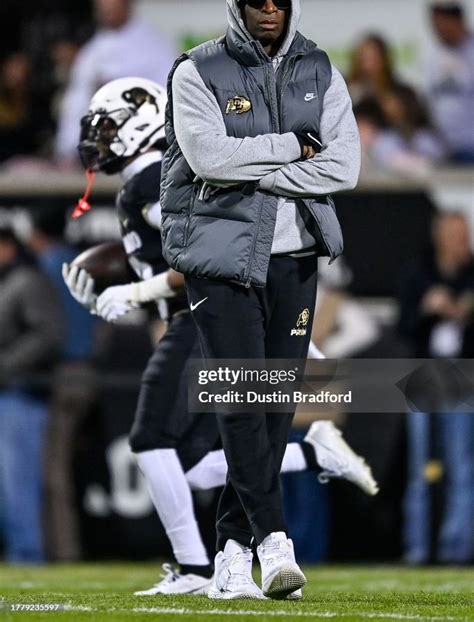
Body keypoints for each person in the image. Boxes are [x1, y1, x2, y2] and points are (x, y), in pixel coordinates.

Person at [63, 77, 375, 596]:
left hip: (203, 319)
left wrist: (132, 294)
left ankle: (196, 567)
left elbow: (201, 251)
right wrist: (114, 297)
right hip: (200, 317)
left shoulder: (152, 180)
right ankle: (312, 455)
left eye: (109, 127)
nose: (100, 141)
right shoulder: (146, 180)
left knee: (150, 438)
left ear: (141, 122)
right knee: (193, 460)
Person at [160, 0, 360, 600]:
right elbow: (206, 158)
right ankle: (273, 542)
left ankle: (229, 553)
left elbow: (345, 168)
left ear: (291, 2)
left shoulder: (321, 70)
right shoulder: (197, 69)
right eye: (256, 0)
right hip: (221, 258)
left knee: (274, 406)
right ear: (237, 5)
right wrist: (289, 146)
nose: (267, 10)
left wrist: (256, 168)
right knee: (243, 397)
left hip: (295, 257)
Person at [398, 211, 474, 563]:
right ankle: (417, 548)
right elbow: (404, 325)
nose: (462, 242)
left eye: (465, 234)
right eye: (456, 235)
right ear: (440, 237)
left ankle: (455, 549)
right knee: (419, 469)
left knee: (460, 466)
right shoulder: (418, 271)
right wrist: (427, 308)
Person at [28, 204, 98, 561]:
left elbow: (45, 331)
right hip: (90, 371)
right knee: (64, 466)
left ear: (36, 234)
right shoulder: (82, 261)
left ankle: (62, 552)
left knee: (51, 470)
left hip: (58, 374)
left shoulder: (43, 266)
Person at [55, 0, 176, 168]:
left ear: (127, 5)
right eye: (102, 6)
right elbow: (76, 100)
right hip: (89, 154)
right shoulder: (93, 49)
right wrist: (67, 147)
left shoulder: (153, 45)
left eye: (112, 5)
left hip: (137, 152)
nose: (106, 11)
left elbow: (166, 95)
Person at [0, 227, 63, 562]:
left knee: (17, 483)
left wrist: (4, 366)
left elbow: (48, 334)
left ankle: (26, 554)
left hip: (20, 393)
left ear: (8, 246)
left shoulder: (28, 280)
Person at [425, 0, 474, 163]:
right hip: (445, 148)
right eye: (435, 24)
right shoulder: (434, 54)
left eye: (442, 23)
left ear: (457, 20)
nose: (438, 29)